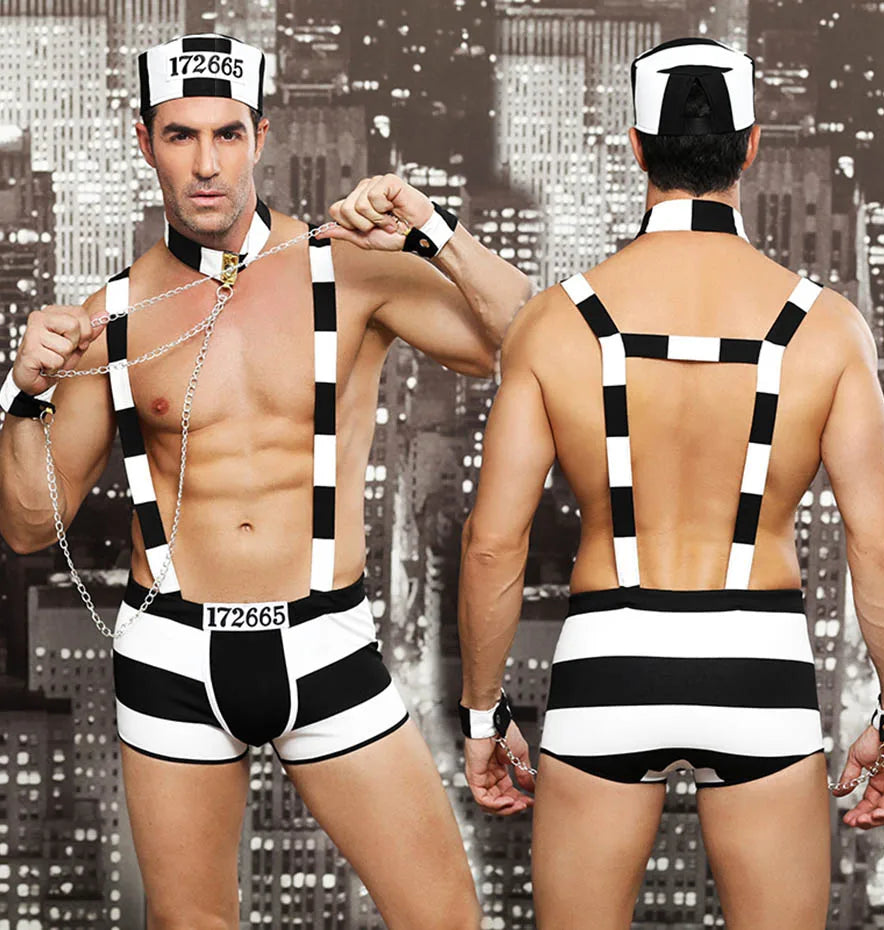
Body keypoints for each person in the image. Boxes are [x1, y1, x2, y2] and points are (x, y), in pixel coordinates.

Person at [0, 32, 531, 929]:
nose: (207, 165)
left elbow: (533, 344)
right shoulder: (112, 315)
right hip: (170, 654)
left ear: (261, 137)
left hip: (324, 641)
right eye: (181, 136)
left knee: (443, 916)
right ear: (145, 143)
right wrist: (20, 394)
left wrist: (433, 231)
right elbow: (25, 525)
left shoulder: (346, 269)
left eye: (228, 134)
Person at [456, 36, 884, 929]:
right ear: (751, 147)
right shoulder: (826, 328)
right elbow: (882, 550)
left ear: (637, 147)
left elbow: (491, 544)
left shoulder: (555, 324)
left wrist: (483, 717)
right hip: (760, 665)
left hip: (608, 658)